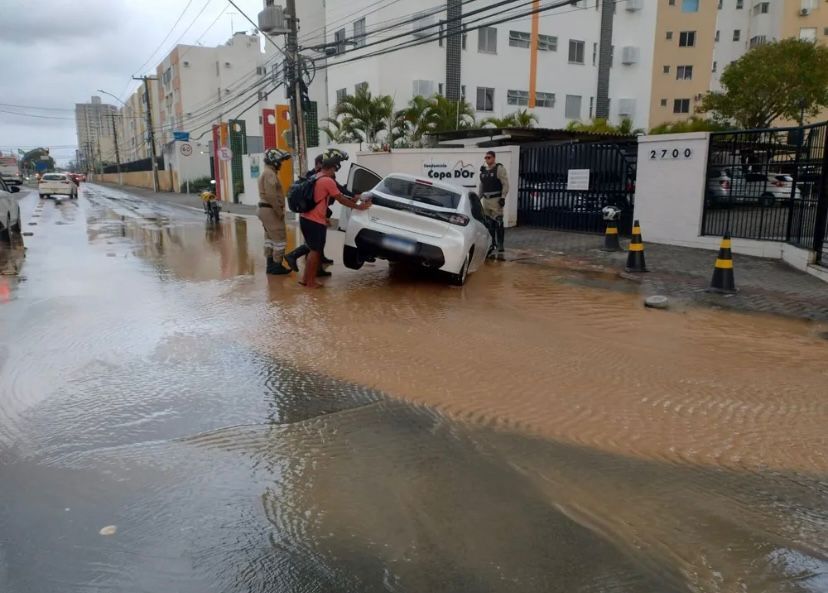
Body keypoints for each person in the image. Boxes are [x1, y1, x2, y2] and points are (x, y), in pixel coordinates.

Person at [300, 151, 371, 288]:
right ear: (333, 167)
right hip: (315, 221)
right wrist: (360, 206)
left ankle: (305, 279)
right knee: (315, 252)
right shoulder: (327, 180)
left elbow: (340, 195)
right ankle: (310, 282)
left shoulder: (317, 176)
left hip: (307, 218)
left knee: (312, 250)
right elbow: (341, 199)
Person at [284, 152, 355, 273]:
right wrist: (357, 204)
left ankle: (316, 269)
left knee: (317, 245)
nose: (335, 170)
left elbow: (335, 191)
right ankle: (304, 267)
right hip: (313, 217)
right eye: (334, 167)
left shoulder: (316, 176)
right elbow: (339, 195)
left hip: (314, 215)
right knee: (313, 247)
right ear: (319, 164)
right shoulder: (320, 177)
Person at [257, 148, 292, 275]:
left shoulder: (267, 172)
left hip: (265, 209)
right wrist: (279, 211)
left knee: (270, 239)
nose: (281, 164)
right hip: (270, 209)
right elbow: (271, 195)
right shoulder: (270, 174)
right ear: (274, 161)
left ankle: (270, 264)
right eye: (280, 161)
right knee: (279, 237)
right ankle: (277, 265)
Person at [478, 150, 510, 259]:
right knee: (489, 224)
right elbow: (482, 187)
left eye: (489, 157)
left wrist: (503, 197)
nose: (487, 159)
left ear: (494, 158)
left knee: (498, 222)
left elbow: (505, 184)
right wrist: (478, 198)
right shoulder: (483, 171)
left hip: (496, 199)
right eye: (486, 158)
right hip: (486, 200)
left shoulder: (499, 169)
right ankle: (492, 243)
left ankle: (500, 244)